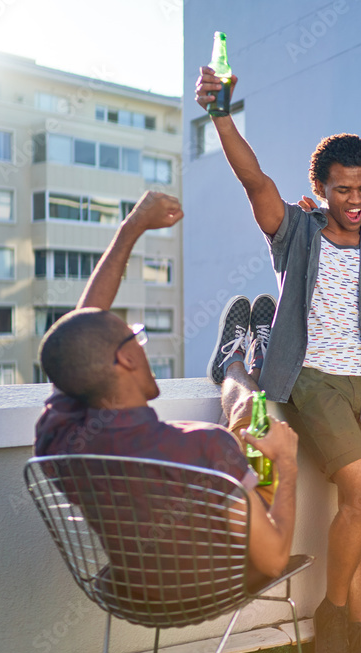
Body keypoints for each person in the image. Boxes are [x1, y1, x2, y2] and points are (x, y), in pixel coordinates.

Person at [196, 68, 361, 653]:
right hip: (308, 377)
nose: (355, 200)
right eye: (343, 190)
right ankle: (332, 615)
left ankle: (359, 633)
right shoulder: (298, 231)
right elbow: (252, 180)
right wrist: (221, 116)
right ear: (320, 187)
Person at [34, 191, 299, 589]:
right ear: (124, 361)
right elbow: (275, 560)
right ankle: (240, 368)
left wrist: (132, 227)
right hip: (214, 584)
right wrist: (287, 462)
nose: (143, 346)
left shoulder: (57, 436)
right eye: (135, 339)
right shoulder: (205, 447)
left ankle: (240, 364)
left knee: (235, 440)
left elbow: (80, 335)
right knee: (251, 414)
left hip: (130, 589)